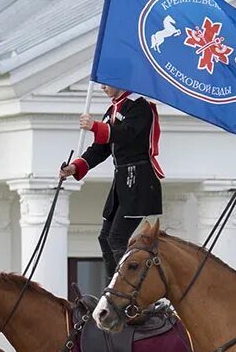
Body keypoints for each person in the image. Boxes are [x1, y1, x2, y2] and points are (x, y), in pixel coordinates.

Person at [58, 85, 162, 284]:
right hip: (122, 180)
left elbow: (127, 133)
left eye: (106, 82)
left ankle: (127, 288)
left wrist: (96, 126)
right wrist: (75, 167)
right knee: (104, 237)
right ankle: (113, 286)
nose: (103, 87)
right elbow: (101, 148)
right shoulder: (114, 109)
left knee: (116, 238)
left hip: (138, 179)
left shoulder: (139, 106)